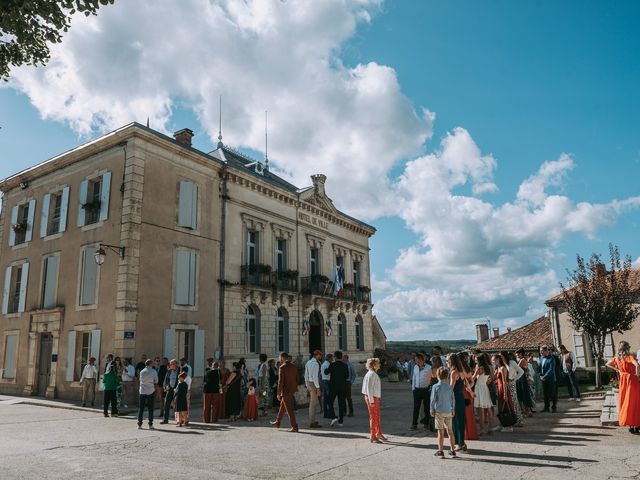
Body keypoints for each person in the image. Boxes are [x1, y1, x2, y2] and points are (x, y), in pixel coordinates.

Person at [606, 341, 640, 434]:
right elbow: (637, 365)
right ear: (627, 348)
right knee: (635, 402)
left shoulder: (617, 358)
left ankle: (630, 425)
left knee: (626, 402)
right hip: (631, 380)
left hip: (623, 381)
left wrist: (618, 370)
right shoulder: (629, 357)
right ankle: (636, 425)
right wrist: (637, 375)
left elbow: (607, 364)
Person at [430, 367, 457, 459]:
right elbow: (453, 399)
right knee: (450, 431)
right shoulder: (449, 387)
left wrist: (431, 410)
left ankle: (440, 451)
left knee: (440, 432)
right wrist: (453, 409)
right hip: (449, 411)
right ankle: (452, 451)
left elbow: (433, 400)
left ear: (437, 375)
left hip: (439, 411)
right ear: (447, 376)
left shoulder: (435, 387)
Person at [270, 352, 298, 432]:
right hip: (291, 390)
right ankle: (277, 422)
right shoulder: (293, 366)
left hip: (285, 391)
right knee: (283, 406)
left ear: (282, 357)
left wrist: (278, 393)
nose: (279, 359)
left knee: (289, 409)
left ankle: (294, 426)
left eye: (279, 357)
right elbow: (297, 378)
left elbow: (280, 382)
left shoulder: (282, 367)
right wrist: (294, 388)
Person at [362, 357, 386, 443]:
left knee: (377, 416)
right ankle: (373, 436)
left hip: (374, 397)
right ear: (373, 365)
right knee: (373, 417)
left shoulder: (372, 373)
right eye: (378, 363)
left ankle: (378, 433)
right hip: (372, 398)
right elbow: (369, 389)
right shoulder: (371, 374)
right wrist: (371, 401)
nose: (379, 364)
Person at [325, 350, 349, 427]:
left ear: (335, 357)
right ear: (341, 357)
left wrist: (326, 369)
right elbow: (347, 376)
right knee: (341, 403)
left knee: (329, 402)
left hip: (333, 387)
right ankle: (341, 421)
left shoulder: (332, 365)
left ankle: (334, 416)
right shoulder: (345, 365)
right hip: (342, 386)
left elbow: (326, 372)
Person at [448, 354, 467, 451]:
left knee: (456, 421)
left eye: (448, 361)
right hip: (460, 397)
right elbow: (466, 383)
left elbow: (451, 388)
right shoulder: (462, 371)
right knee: (460, 420)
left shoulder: (453, 372)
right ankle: (461, 442)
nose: (447, 362)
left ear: (452, 361)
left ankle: (460, 443)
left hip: (454, 397)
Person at [459, 353, 479, 441]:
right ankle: (471, 433)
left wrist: (467, 388)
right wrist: (469, 388)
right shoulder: (468, 369)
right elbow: (472, 381)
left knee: (463, 414)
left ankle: (465, 434)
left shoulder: (459, 370)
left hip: (462, 392)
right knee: (469, 414)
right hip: (468, 393)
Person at [409, 353, 431, 430]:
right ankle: (414, 424)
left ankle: (426, 423)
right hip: (417, 390)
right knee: (416, 408)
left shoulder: (429, 368)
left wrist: (429, 388)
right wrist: (413, 389)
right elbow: (414, 378)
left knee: (427, 408)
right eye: (416, 361)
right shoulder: (415, 367)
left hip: (426, 389)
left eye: (418, 360)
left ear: (423, 360)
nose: (417, 362)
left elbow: (431, 379)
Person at [503, 351, 525, 426]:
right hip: (505, 384)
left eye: (501, 356)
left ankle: (519, 420)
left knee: (514, 402)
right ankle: (512, 420)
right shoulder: (502, 364)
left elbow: (521, 371)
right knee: (509, 403)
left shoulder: (512, 362)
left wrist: (515, 379)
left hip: (511, 383)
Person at [492, 353, 512, 432]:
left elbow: (504, 382)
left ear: (498, 360)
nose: (493, 362)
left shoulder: (503, 368)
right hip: (499, 388)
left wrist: (505, 394)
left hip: (503, 389)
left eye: (494, 360)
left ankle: (509, 426)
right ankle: (502, 424)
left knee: (506, 407)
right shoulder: (498, 368)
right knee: (500, 407)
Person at [474, 355, 493, 435]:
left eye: (476, 358)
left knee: (481, 409)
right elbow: (492, 377)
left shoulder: (479, 367)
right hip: (485, 387)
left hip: (479, 388)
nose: (474, 359)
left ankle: (481, 430)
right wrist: (487, 381)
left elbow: (473, 377)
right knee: (488, 408)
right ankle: (490, 428)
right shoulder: (489, 367)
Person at [137, 358, 158, 429]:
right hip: (150, 391)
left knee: (141, 408)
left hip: (142, 391)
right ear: (151, 364)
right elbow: (156, 381)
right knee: (150, 408)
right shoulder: (153, 371)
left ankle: (139, 424)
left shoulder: (142, 371)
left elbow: (140, 380)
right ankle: (150, 424)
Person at [305, 350, 323, 428]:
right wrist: (318, 388)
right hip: (313, 384)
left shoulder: (308, 362)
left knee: (312, 404)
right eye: (320, 355)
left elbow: (305, 375)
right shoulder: (315, 364)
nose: (321, 357)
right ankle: (312, 422)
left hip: (309, 383)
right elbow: (315, 377)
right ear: (317, 355)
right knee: (313, 404)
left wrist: (307, 385)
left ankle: (312, 420)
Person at [515, 349, 536, 416]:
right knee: (525, 395)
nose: (517, 355)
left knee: (525, 395)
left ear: (521, 354)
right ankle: (528, 411)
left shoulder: (522, 360)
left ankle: (528, 411)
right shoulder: (522, 360)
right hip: (523, 379)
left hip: (523, 379)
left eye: (518, 354)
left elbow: (517, 369)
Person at [203, 358, 223, 423]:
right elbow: (221, 379)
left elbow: (204, 380)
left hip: (207, 390)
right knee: (215, 405)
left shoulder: (208, 372)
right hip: (215, 390)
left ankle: (206, 420)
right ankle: (214, 419)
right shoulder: (219, 372)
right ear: (218, 366)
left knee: (207, 406)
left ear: (212, 366)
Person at [539, 346, 558, 413]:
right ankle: (546, 407)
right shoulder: (541, 357)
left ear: (546, 351)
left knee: (552, 393)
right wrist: (540, 375)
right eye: (540, 351)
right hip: (543, 379)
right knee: (545, 394)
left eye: (542, 351)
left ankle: (554, 407)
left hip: (551, 379)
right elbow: (540, 368)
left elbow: (551, 370)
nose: (540, 352)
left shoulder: (551, 358)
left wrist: (545, 377)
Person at [160, 359, 179, 424]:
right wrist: (165, 386)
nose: (170, 365)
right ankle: (165, 419)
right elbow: (166, 380)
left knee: (178, 404)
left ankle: (179, 420)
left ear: (176, 364)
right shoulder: (169, 371)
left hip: (177, 389)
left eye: (171, 364)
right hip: (170, 389)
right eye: (170, 364)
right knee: (166, 404)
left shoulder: (180, 370)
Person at [321, 353, 333, 419]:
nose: (332, 359)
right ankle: (329, 413)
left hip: (325, 381)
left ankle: (326, 413)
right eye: (331, 358)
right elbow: (327, 372)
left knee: (325, 399)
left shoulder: (324, 364)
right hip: (327, 381)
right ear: (329, 358)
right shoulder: (327, 364)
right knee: (329, 398)